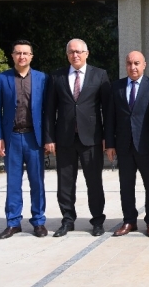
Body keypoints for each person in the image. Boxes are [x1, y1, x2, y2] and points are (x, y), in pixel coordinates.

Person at [44, 38, 110, 237]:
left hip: (91, 138)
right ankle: (67, 220)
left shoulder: (100, 75)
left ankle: (97, 220)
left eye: (79, 51)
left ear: (86, 54)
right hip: (64, 138)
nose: (75, 55)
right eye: (71, 52)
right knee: (65, 182)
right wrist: (49, 138)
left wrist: (108, 138)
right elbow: (49, 110)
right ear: (67, 55)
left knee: (94, 182)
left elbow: (108, 110)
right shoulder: (57, 76)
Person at [0, 40, 48, 239]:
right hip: (12, 137)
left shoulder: (42, 78)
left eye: (25, 53)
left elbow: (47, 111)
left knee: (37, 181)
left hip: (34, 138)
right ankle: (13, 222)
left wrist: (48, 138)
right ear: (12, 56)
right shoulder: (2, 78)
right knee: (13, 182)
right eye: (18, 53)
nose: (22, 56)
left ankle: (38, 221)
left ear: (31, 56)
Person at [105, 51, 149, 237]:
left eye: (137, 63)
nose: (133, 67)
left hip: (147, 146)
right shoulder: (116, 87)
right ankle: (129, 220)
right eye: (129, 63)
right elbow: (110, 117)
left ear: (144, 64)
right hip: (124, 146)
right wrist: (110, 144)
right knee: (126, 186)